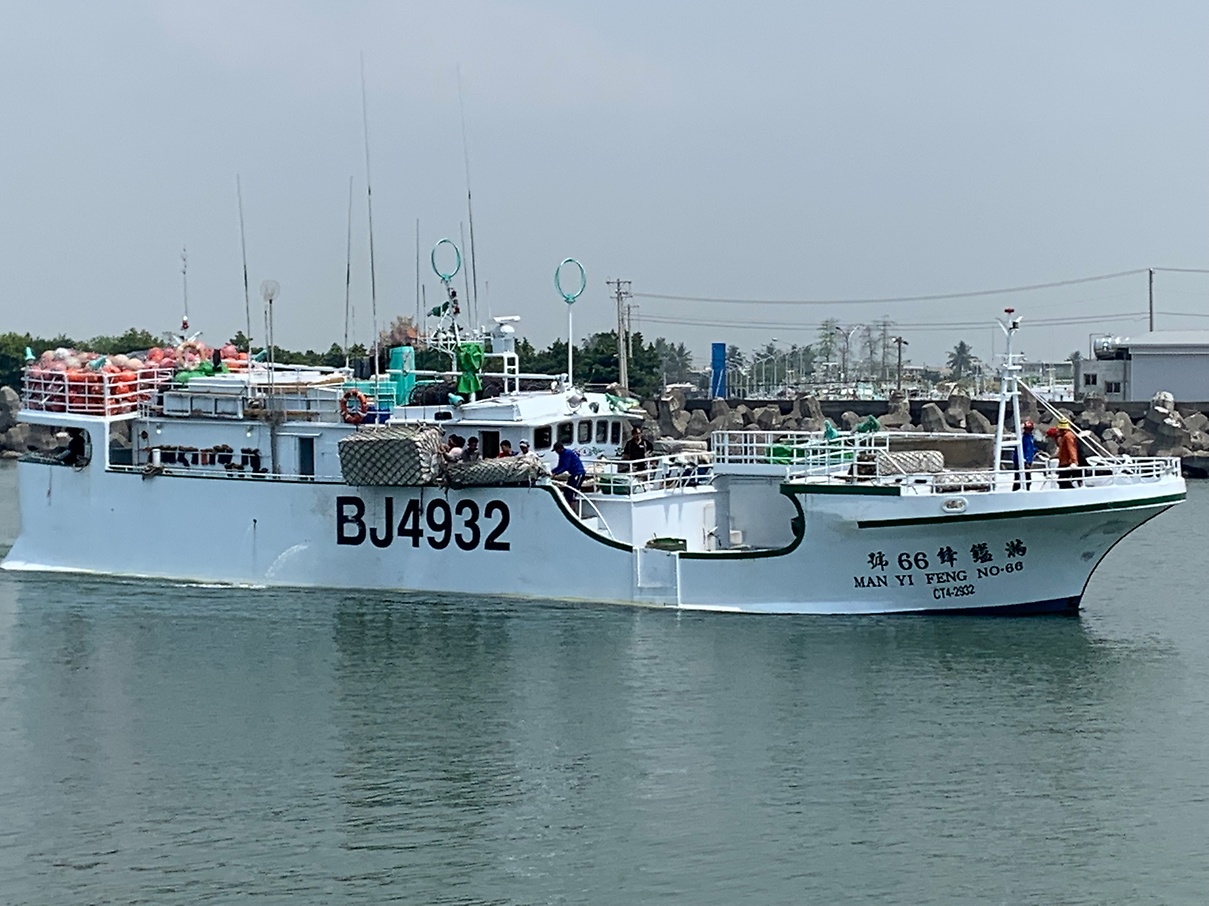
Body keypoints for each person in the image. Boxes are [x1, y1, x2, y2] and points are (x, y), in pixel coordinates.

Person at [1011, 419, 1037, 490]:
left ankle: (1026, 491)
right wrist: (1026, 462)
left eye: (1030, 429)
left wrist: (1036, 450)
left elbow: (1030, 448)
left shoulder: (1030, 437)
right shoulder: (1022, 438)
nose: (1028, 431)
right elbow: (1022, 451)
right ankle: (1016, 492)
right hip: (1022, 461)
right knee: (1019, 479)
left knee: (1027, 479)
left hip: (1027, 460)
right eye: (1027, 429)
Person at [1056, 418, 1079, 489]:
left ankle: (1072, 491)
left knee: (1062, 481)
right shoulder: (1066, 436)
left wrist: (1074, 461)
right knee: (1062, 481)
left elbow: (1071, 449)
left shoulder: (1067, 436)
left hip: (1066, 463)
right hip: (1064, 462)